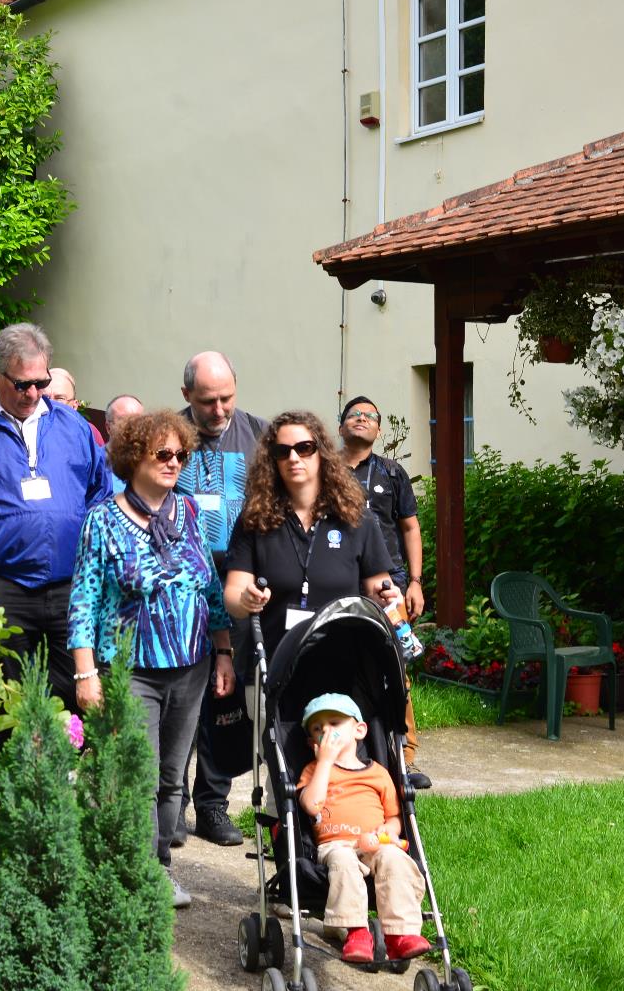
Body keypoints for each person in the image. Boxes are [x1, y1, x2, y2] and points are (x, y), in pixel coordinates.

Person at [0, 322, 110, 786]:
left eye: (41, 382)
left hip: (69, 588)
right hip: (2, 589)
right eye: (22, 384)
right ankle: (10, 796)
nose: (33, 393)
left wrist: (94, 566)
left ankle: (59, 789)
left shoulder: (74, 427)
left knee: (73, 695)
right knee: (6, 700)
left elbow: (101, 495)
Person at [68, 409, 234, 908]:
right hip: (130, 668)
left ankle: (159, 867)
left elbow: (210, 589)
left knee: (171, 776)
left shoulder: (188, 513)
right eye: (163, 453)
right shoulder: (103, 519)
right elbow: (83, 600)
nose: (174, 462)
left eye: (181, 454)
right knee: (137, 772)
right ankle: (136, 872)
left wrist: (223, 652)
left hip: (191, 665)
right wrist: (85, 672)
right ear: (132, 458)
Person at [177, 351, 269, 849]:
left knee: (226, 701)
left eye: (226, 398)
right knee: (181, 698)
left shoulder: (259, 435)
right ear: (186, 394)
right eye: (208, 401)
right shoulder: (169, 436)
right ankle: (171, 805)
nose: (219, 410)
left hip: (237, 588)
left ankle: (213, 805)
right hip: (181, 592)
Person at [222, 411, 397, 661]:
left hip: (341, 662)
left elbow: (378, 590)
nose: (293, 458)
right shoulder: (254, 518)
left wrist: (387, 596)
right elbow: (233, 595)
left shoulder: (357, 518)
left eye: (304, 448)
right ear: (272, 459)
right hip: (273, 663)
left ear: (321, 452)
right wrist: (246, 600)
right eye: (282, 451)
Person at [296, 693, 431, 964]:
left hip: (375, 842)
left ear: (359, 730)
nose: (327, 732)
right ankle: (355, 931)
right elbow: (311, 805)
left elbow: (395, 817)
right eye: (318, 728)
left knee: (396, 860)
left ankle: (400, 933)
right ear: (312, 743)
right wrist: (324, 762)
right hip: (336, 845)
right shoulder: (314, 771)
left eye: (335, 723)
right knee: (344, 861)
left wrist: (387, 831)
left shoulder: (378, 773)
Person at [338, 393, 428, 773]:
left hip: (389, 587)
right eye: (354, 414)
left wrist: (416, 582)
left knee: (395, 666)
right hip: (341, 583)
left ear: (378, 430)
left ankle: (405, 756)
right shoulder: (325, 471)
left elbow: (409, 527)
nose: (362, 418)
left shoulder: (392, 473)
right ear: (341, 425)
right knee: (340, 663)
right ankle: (348, 751)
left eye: (370, 416)